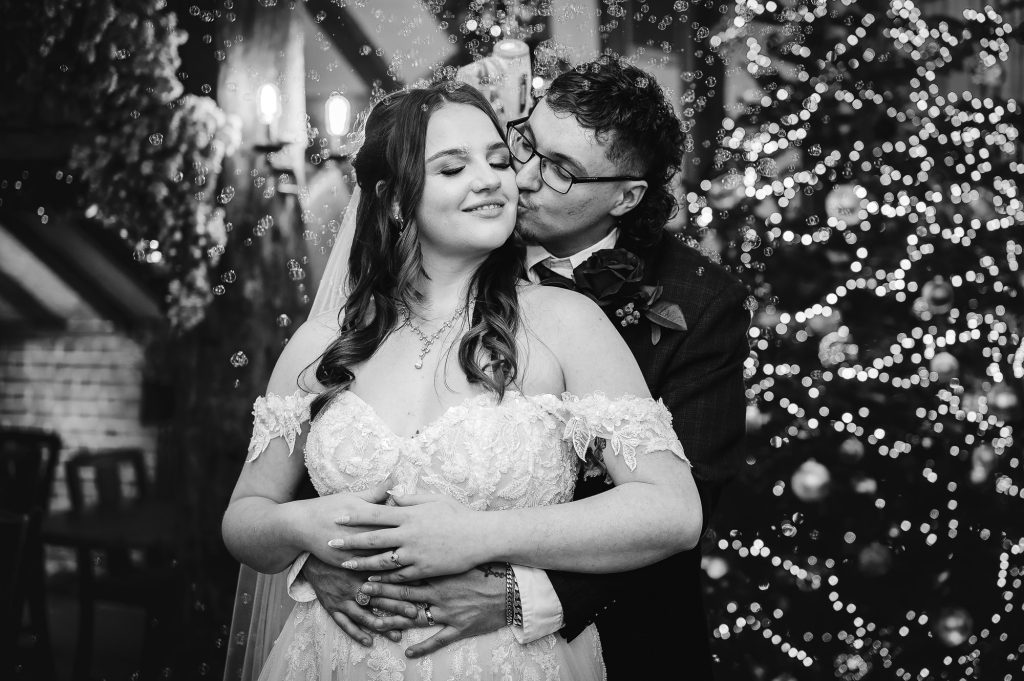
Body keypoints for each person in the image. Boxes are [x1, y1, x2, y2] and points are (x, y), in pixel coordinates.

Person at [221, 81, 701, 680]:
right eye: (454, 167)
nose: (492, 179)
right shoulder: (323, 342)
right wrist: (304, 529)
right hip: (330, 658)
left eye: (499, 159)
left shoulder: (565, 321)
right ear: (396, 200)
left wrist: (478, 536)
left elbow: (672, 511)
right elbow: (244, 519)